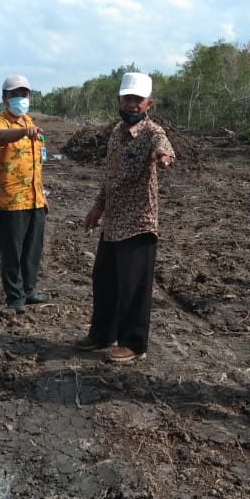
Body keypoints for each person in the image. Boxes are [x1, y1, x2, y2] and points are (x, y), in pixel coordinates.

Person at [75, 72, 175, 362]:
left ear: (149, 104)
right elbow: (110, 178)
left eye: (138, 100)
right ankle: (101, 334)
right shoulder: (116, 133)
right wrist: (98, 208)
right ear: (119, 100)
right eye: (127, 98)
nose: (132, 105)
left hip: (139, 223)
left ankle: (133, 343)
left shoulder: (151, 132)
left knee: (134, 285)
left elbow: (163, 145)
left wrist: (163, 156)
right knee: (104, 279)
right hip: (113, 222)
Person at [0, 74, 50, 312]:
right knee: (12, 251)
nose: (20, 99)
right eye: (14, 95)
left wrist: (42, 195)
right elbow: (1, 138)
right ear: (5, 98)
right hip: (10, 200)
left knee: (32, 249)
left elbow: (37, 164)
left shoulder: (29, 122)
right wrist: (24, 132)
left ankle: (29, 290)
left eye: (23, 95)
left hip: (34, 198)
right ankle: (15, 298)